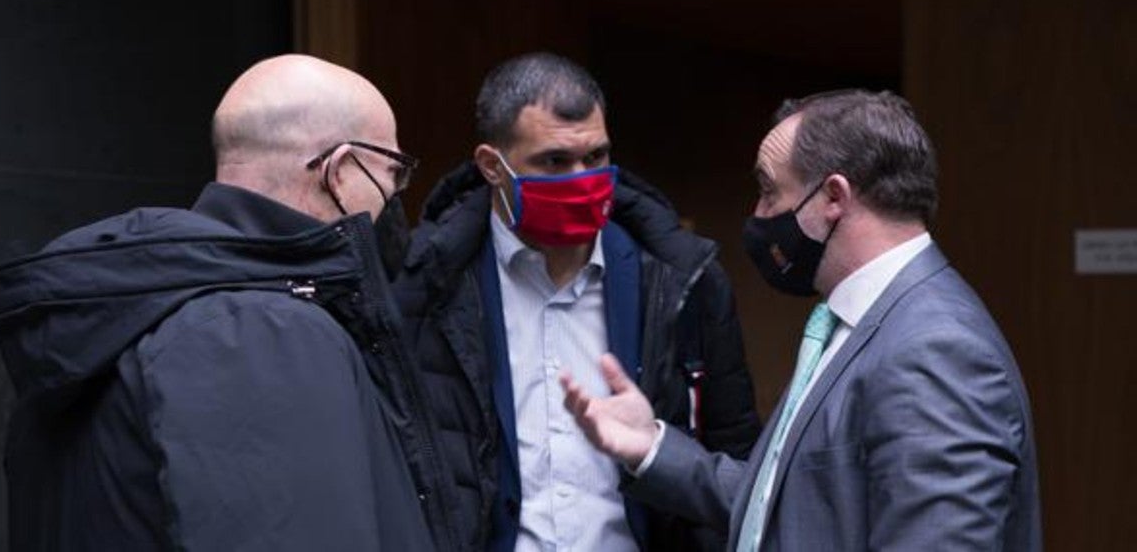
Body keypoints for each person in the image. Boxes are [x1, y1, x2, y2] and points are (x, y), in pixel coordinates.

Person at [561, 89, 1042, 550]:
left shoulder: (935, 348)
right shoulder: (859, 322)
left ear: (834, 197)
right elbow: (794, 509)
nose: (759, 213)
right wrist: (650, 446)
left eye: (770, 192)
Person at [0, 54, 435, 551]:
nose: (395, 195)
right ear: (340, 169)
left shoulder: (128, 305)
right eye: (393, 171)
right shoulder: (263, 331)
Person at [392, 51, 761, 551]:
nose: (581, 177)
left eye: (596, 157)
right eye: (554, 161)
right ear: (491, 166)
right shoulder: (425, 287)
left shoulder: (683, 282)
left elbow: (736, 459)